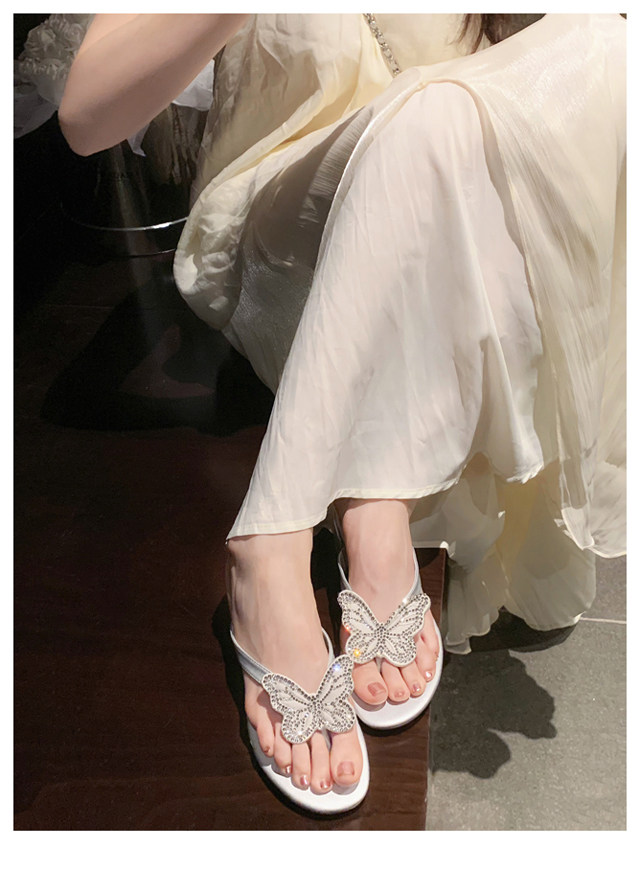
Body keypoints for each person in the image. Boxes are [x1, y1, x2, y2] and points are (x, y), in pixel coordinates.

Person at [60, 13, 626, 814]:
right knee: (430, 120)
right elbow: (86, 118)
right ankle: (275, 539)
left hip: (448, 275)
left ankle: (374, 494)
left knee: (604, 45)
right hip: (294, 243)